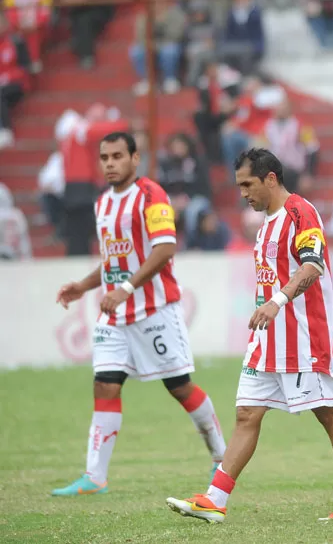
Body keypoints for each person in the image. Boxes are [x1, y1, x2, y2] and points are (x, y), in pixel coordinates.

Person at [166, 148, 333, 522]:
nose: (243, 193)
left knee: (328, 414)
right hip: (268, 340)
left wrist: (276, 301)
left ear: (271, 178)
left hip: (304, 337)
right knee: (246, 413)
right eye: (239, 186)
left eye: (248, 184)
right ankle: (215, 499)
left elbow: (312, 265)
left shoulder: (300, 212)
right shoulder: (265, 223)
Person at [51, 132, 226, 497]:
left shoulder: (151, 195)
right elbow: (114, 260)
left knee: (179, 387)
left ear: (135, 157)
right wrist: (84, 286)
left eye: (117, 156)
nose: (110, 163)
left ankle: (221, 456)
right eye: (104, 157)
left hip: (154, 310)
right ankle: (95, 477)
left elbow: (165, 248)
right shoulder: (102, 204)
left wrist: (125, 289)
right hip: (115, 316)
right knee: (105, 383)